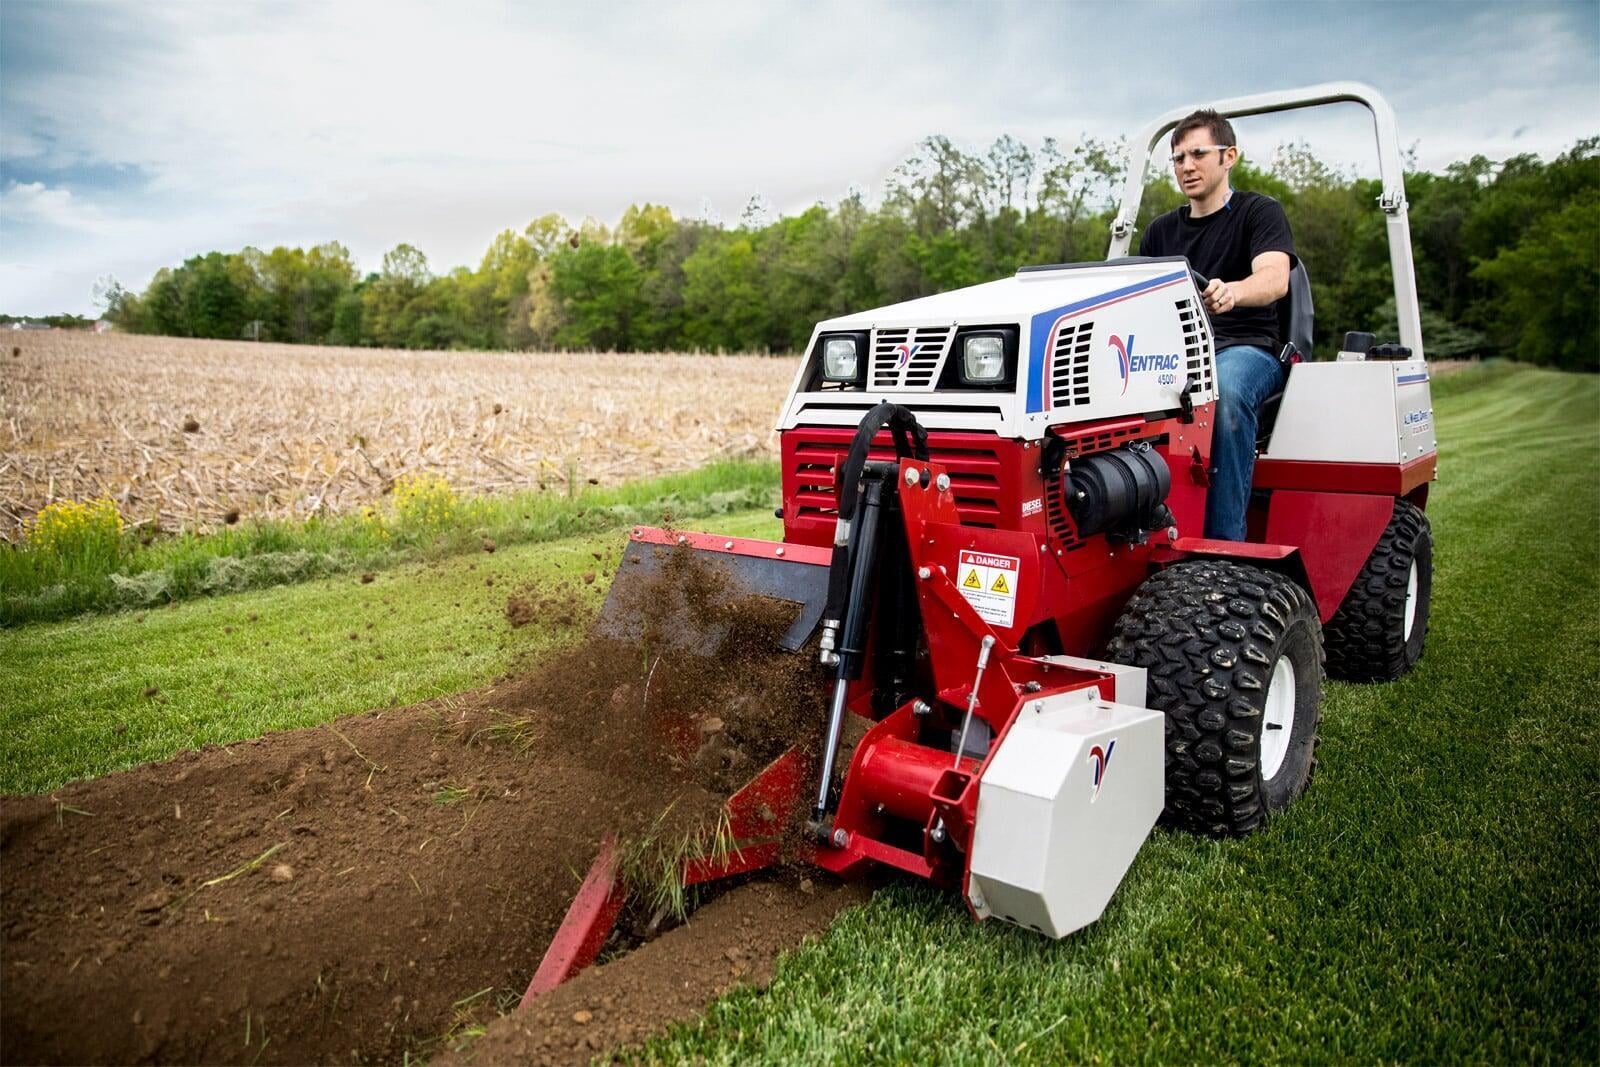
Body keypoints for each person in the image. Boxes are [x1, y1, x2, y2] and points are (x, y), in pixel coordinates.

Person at [1138, 108, 1296, 542]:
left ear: (1229, 156)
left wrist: (1235, 292)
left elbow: (1274, 279)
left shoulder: (1259, 213)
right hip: (1175, 357)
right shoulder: (1160, 232)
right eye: (1177, 158)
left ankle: (1223, 549)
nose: (1186, 166)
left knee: (1221, 398)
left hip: (1247, 348)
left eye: (1198, 154)